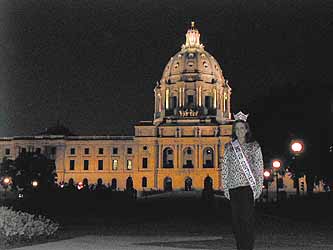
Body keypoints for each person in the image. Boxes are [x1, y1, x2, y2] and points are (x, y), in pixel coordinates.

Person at [222, 111, 264, 250]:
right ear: (234, 131)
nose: (239, 131)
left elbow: (259, 168)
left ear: (246, 129)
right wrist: (225, 188)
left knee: (247, 221)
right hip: (233, 188)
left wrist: (258, 188)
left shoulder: (254, 146)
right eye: (237, 128)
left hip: (247, 188)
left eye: (242, 128)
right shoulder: (229, 147)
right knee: (236, 222)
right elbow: (225, 169)